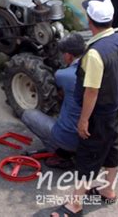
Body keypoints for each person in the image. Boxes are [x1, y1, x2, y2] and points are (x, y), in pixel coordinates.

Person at [51, 0, 118, 217]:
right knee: (112, 147)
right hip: (116, 103)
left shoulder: (94, 53)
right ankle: (108, 189)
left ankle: (75, 204)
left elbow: (91, 91)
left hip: (99, 111)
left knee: (88, 155)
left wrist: (84, 119)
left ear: (90, 21)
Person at [21, 33, 85, 169]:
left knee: (27, 114)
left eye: (63, 54)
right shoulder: (94, 70)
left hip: (71, 137)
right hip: (92, 135)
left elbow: (55, 90)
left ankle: (60, 153)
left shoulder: (62, 75)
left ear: (68, 56)